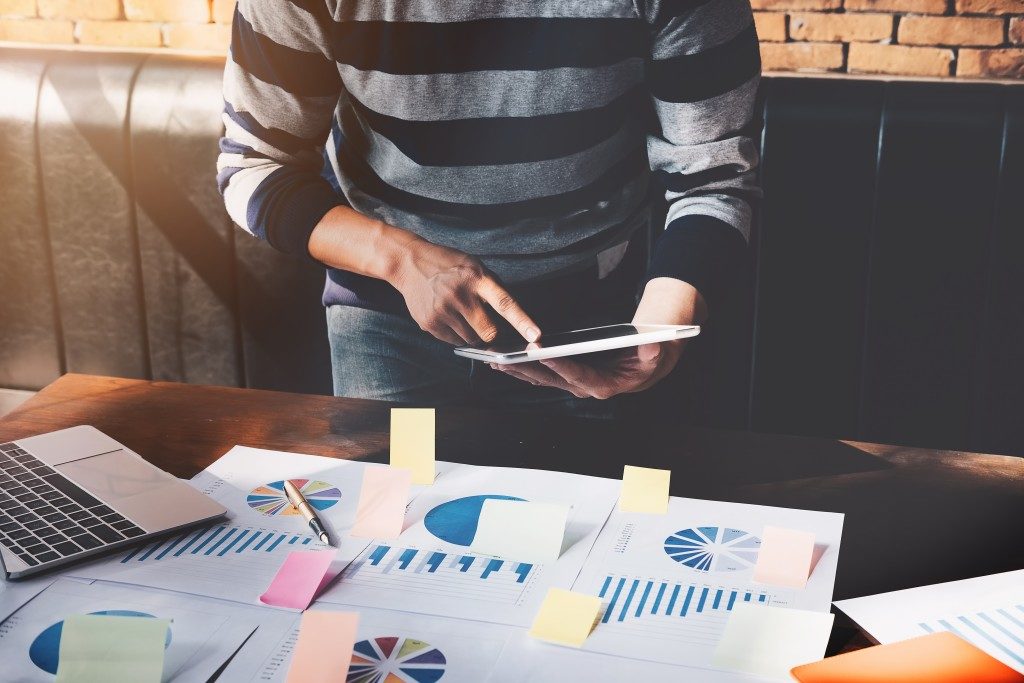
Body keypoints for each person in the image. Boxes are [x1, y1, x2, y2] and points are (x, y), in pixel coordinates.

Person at [217, 0, 761, 413]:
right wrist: (404, 261)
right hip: (386, 320)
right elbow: (253, 167)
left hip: (595, 318)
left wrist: (667, 316)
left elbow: (715, 176)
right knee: (388, 548)